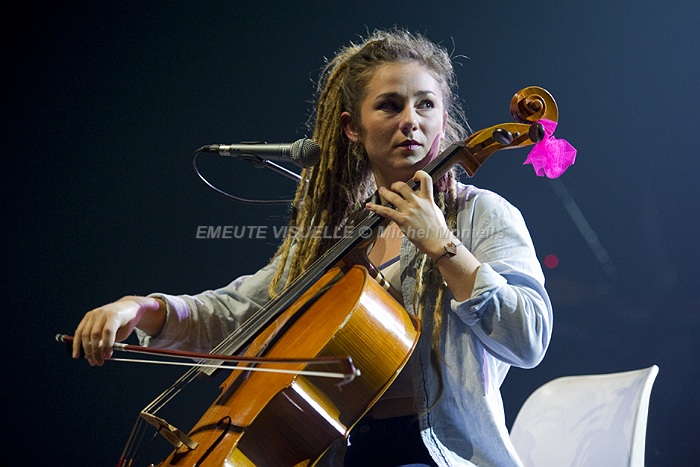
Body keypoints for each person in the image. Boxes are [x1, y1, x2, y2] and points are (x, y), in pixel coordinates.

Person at [72, 28, 552, 466]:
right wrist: (141, 309)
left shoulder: (479, 214)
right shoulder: (341, 233)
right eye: (390, 106)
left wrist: (442, 245)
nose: (411, 120)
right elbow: (238, 312)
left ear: (443, 117)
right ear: (351, 127)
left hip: (440, 452)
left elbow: (528, 337)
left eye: (425, 104)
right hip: (344, 451)